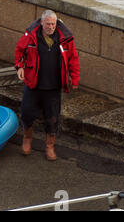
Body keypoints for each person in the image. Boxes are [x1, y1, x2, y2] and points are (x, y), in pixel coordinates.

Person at [14, 10, 80, 160]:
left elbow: (73, 59)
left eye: (53, 24)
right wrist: (20, 67)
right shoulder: (30, 36)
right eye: (48, 24)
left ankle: (49, 147)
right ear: (41, 23)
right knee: (27, 113)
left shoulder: (65, 39)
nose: (51, 27)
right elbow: (19, 51)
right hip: (33, 84)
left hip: (53, 87)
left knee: (52, 118)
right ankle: (27, 139)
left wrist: (74, 79)